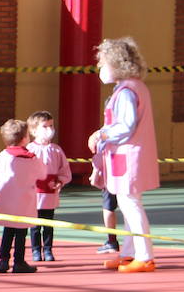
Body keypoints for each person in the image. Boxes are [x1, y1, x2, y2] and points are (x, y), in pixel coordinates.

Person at [88, 37, 160, 273]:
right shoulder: (129, 88)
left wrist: (101, 134)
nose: (100, 69)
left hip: (129, 156)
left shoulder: (128, 91)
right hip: (125, 156)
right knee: (128, 204)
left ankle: (144, 255)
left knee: (131, 204)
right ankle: (130, 253)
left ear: (117, 64)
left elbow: (125, 126)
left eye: (103, 64)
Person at [0, 119, 46, 274]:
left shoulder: (3, 155)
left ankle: (3, 260)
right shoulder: (31, 158)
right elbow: (42, 173)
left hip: (6, 200)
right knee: (21, 232)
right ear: (24, 138)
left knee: (8, 230)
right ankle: (19, 261)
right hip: (24, 201)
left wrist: (0, 188)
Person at [26, 111, 72, 262]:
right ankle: (35, 251)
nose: (49, 129)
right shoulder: (29, 149)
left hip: (50, 194)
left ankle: (48, 250)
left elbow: (64, 170)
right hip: (34, 194)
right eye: (44, 126)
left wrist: (60, 181)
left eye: (51, 126)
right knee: (35, 225)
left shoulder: (56, 150)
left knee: (48, 224)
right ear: (34, 130)